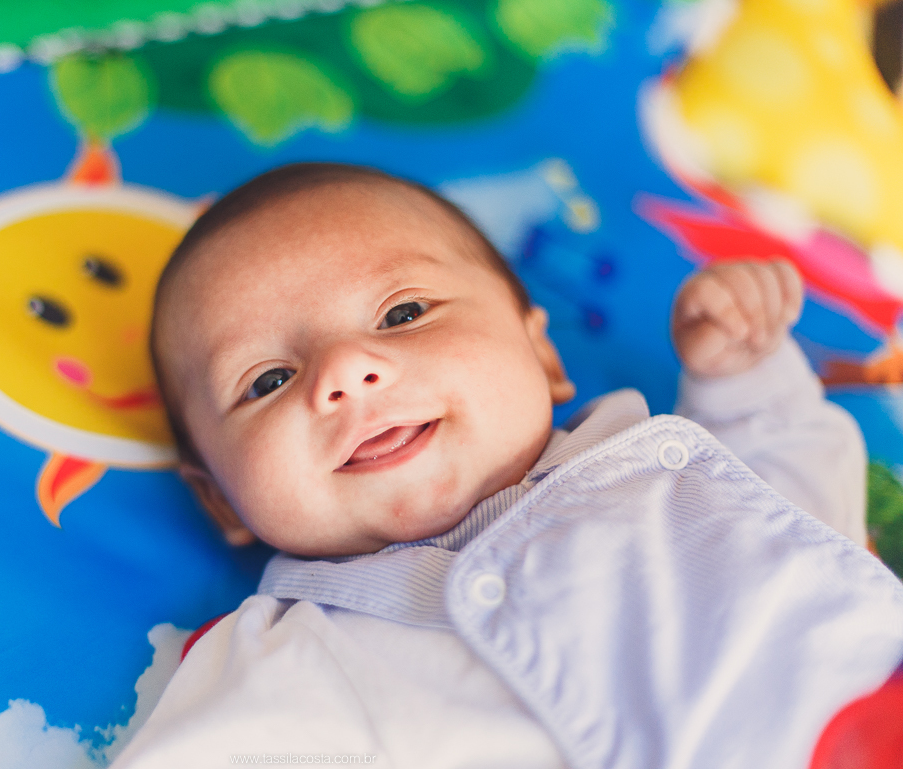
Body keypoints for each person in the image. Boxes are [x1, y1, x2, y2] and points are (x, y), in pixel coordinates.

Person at [113, 163, 903, 769]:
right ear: (220, 501)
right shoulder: (299, 656)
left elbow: (810, 510)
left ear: (543, 353)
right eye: (268, 381)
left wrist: (744, 373)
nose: (346, 373)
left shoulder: (672, 471)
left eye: (403, 313)